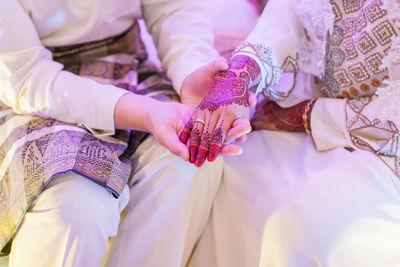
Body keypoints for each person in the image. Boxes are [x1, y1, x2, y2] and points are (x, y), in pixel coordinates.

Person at [0, 0, 252, 266]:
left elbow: (172, 7)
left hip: (127, 68)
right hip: (30, 95)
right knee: (76, 206)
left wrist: (194, 73)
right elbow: (26, 77)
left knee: (188, 161)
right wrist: (145, 112)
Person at [183, 0, 400, 266]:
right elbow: (288, 15)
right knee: (224, 171)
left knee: (307, 231)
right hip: (306, 111)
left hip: (381, 145)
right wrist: (239, 76)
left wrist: (307, 115)